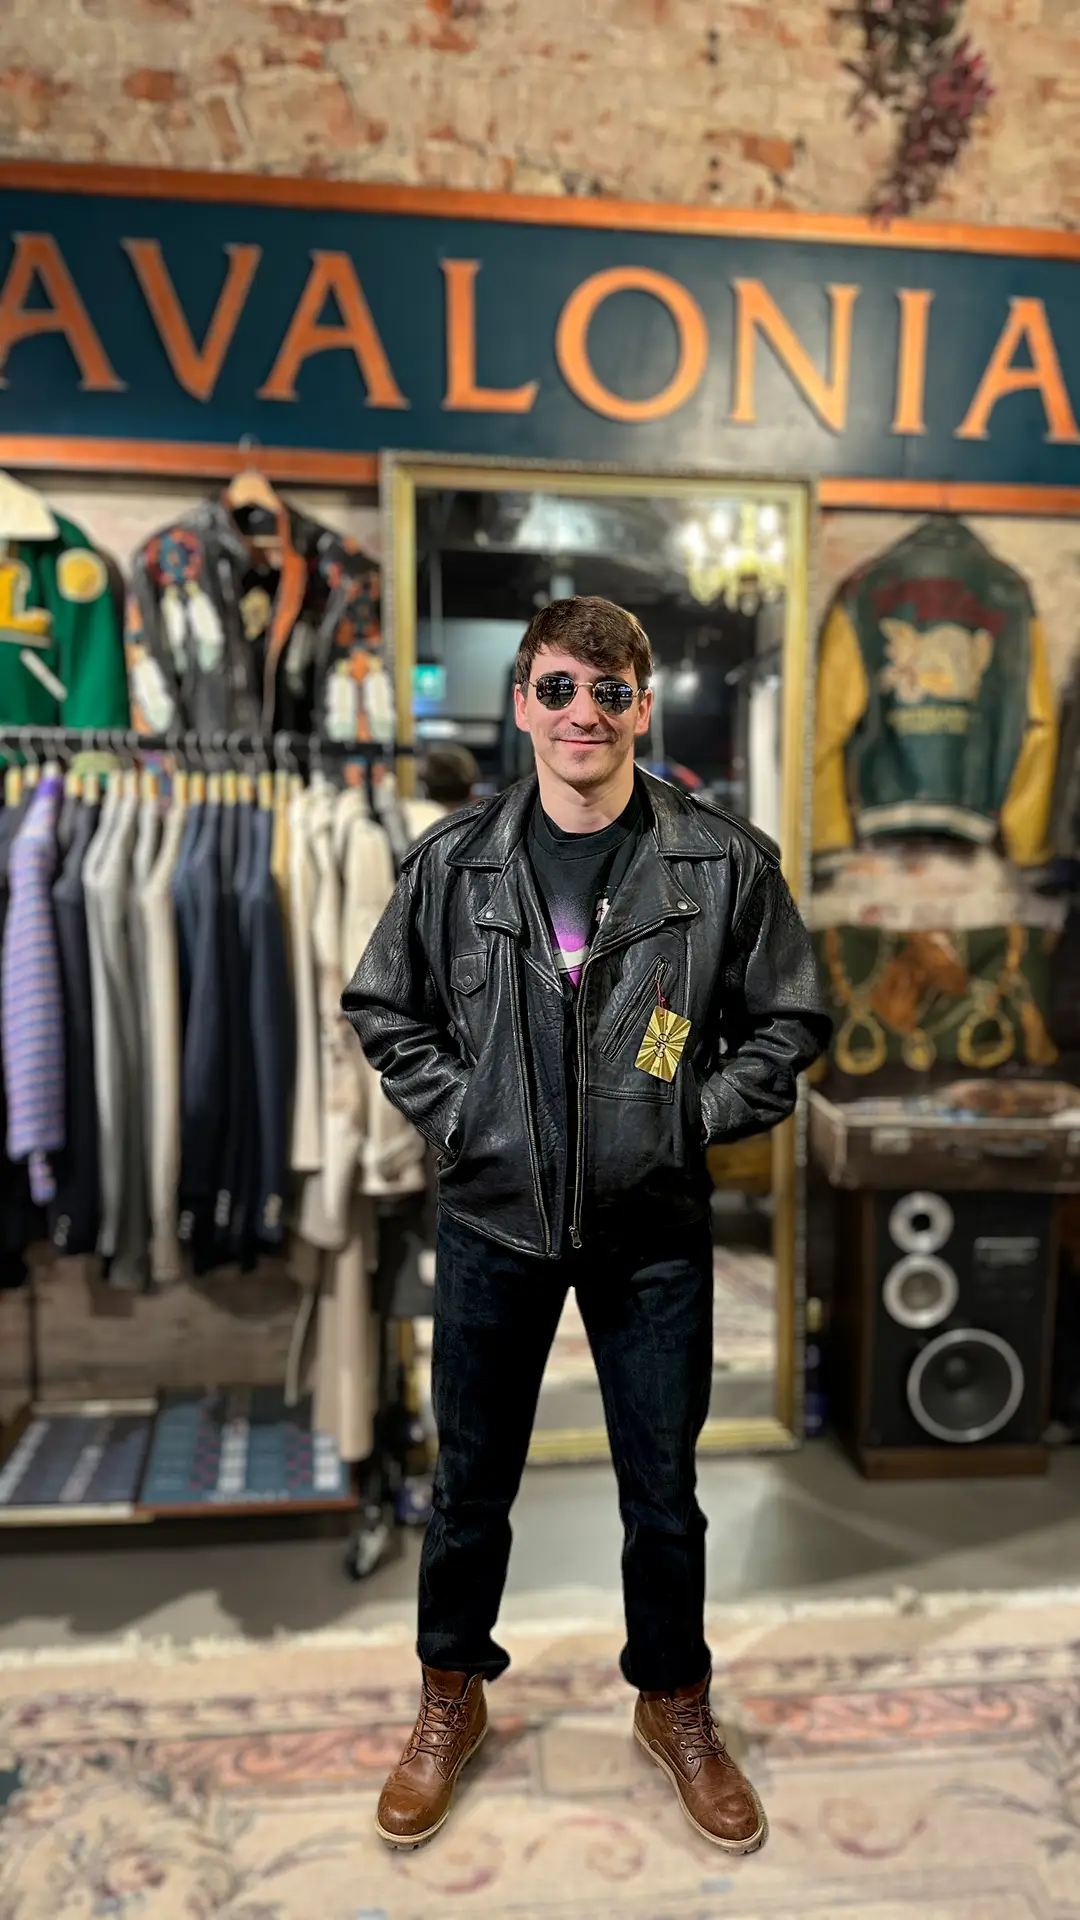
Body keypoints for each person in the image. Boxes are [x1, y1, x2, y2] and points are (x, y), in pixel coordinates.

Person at [342, 596, 830, 1856]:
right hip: (494, 1221)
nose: (583, 715)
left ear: (642, 707)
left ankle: (674, 1703)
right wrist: (469, 1117)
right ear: (522, 703)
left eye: (610, 693)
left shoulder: (721, 862)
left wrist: (691, 1114)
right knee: (469, 1486)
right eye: (558, 688)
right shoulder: (454, 862)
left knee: (663, 1492)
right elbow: (385, 1008)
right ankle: (450, 1692)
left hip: (651, 1227)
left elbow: (789, 1021)